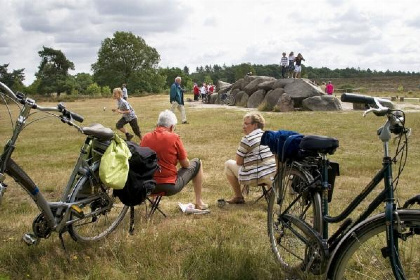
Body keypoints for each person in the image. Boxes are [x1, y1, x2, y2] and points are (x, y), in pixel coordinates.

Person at [141, 110, 208, 210]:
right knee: (197, 162)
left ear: (157, 124)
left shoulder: (145, 138)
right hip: (168, 186)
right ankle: (199, 202)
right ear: (172, 127)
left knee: (153, 166)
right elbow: (185, 165)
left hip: (147, 186)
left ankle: (154, 200)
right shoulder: (174, 137)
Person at [224, 112, 276, 204]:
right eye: (243, 123)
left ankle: (238, 196)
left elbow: (239, 162)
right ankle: (271, 195)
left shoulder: (247, 139)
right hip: (273, 174)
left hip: (257, 176)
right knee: (266, 163)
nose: (243, 126)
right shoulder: (268, 135)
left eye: (246, 124)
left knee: (228, 164)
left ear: (255, 125)